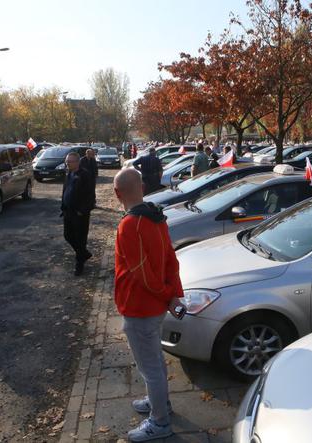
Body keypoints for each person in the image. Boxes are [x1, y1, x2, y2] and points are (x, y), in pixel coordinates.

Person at [113, 168, 184, 442]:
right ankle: (160, 403)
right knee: (154, 360)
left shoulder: (130, 224)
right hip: (154, 307)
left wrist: (168, 296)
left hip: (140, 307)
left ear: (118, 193)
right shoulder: (156, 217)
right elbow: (170, 260)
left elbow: (142, 274)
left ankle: (160, 422)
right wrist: (173, 295)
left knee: (150, 367)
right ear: (141, 187)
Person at [61, 152, 94, 276]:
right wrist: (63, 207)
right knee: (68, 235)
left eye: (70, 162)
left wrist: (82, 210)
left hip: (80, 213)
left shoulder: (85, 175)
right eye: (67, 161)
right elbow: (66, 190)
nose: (67, 164)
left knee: (80, 239)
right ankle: (84, 254)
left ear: (77, 162)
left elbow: (90, 196)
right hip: (68, 211)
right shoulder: (69, 173)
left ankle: (79, 264)